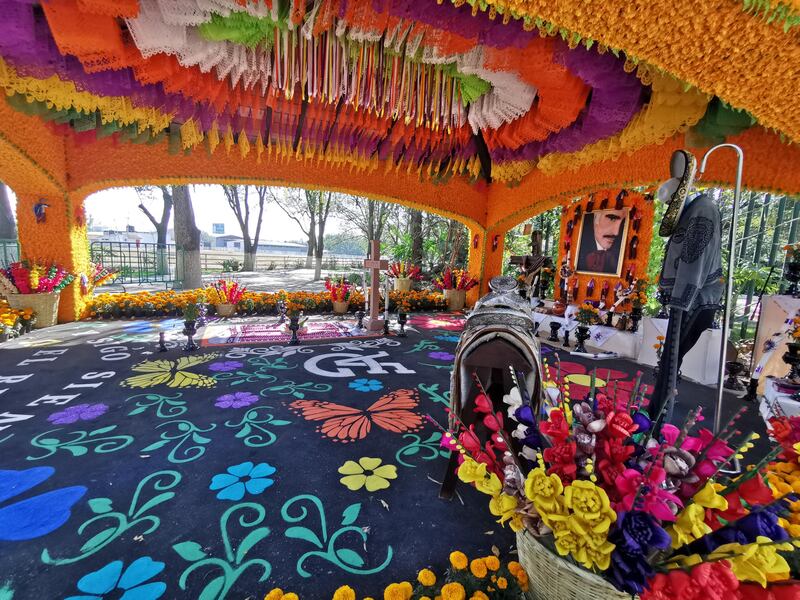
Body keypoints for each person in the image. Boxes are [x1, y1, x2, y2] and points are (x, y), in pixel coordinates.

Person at [576, 209, 627, 274]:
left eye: (624, 223)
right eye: (612, 219)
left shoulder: (622, 250)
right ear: (596, 219)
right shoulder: (578, 242)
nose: (616, 232)